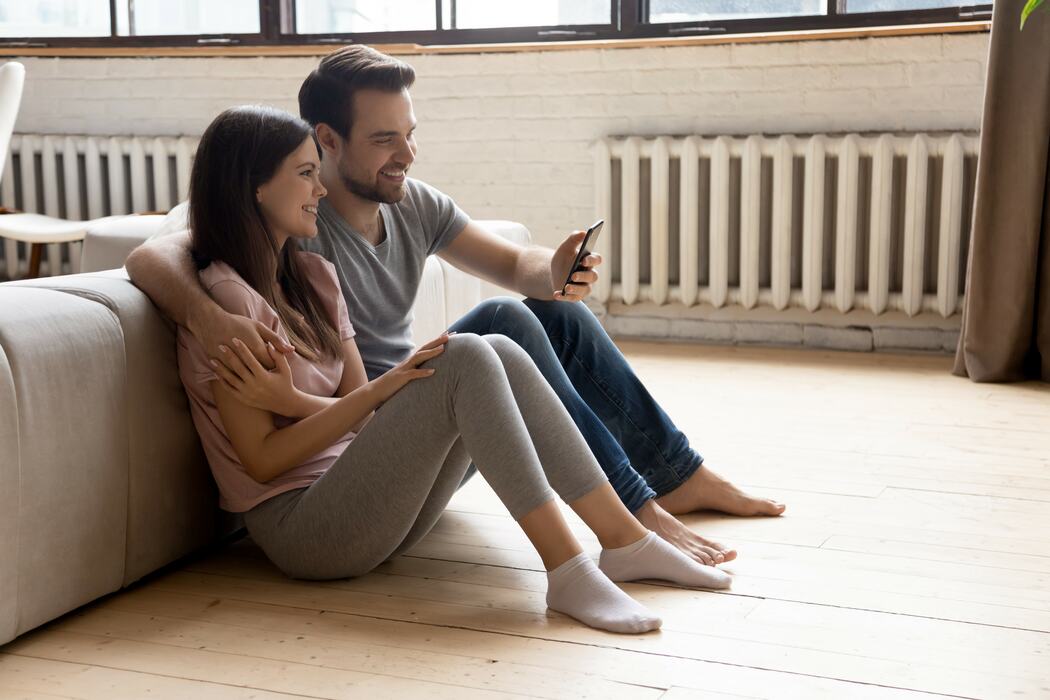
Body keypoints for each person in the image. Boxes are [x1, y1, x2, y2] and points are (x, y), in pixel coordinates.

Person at [126, 45, 784, 569]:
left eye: (410, 134)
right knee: (501, 326)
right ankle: (634, 512)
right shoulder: (296, 216)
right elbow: (157, 254)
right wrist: (209, 317)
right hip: (378, 429)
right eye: (385, 139)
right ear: (326, 140)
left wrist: (553, 270)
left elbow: (512, 264)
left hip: (401, 421)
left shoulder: (411, 202)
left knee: (554, 313)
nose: (406, 155)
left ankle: (678, 474)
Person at [176, 104, 731, 635]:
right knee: (463, 353)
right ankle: (569, 571)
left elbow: (360, 420)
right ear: (253, 187)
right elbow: (263, 460)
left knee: (498, 346)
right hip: (305, 531)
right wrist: (380, 390)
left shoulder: (315, 277)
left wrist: (306, 402)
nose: (320, 188)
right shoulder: (230, 307)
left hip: (367, 496)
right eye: (304, 174)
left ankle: (625, 540)